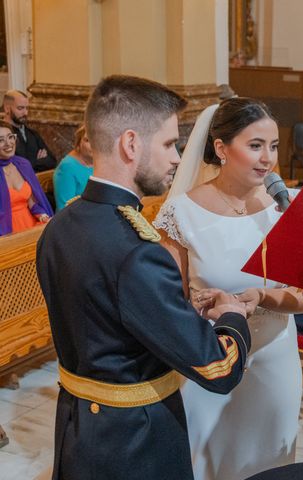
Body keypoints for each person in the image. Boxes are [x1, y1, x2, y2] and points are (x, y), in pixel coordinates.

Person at [35, 75, 252, 480]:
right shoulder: (138, 251)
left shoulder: (60, 226)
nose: (176, 157)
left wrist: (175, 312)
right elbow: (218, 369)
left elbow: (106, 322)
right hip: (135, 443)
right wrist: (232, 314)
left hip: (77, 428)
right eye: (169, 143)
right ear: (131, 144)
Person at [153, 98, 303, 480]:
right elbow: (167, 301)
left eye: (273, 146)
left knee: (269, 461)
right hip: (212, 356)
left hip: (275, 356)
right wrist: (201, 303)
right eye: (255, 145)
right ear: (222, 148)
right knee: (205, 458)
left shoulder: (284, 206)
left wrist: (262, 297)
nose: (268, 159)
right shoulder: (182, 212)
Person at [0, 120, 53, 236]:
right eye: (1, 140)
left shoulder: (23, 165)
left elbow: (32, 203)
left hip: (30, 226)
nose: (8, 143)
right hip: (6, 233)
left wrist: (42, 216)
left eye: (10, 137)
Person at [2, 90, 56, 172]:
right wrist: (38, 161)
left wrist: (30, 163)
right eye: (20, 108)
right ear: (7, 109)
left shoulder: (32, 133)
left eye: (27, 108)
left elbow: (52, 161)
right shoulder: (2, 135)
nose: (25, 113)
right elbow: (13, 166)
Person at [53, 125, 93, 210]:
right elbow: (64, 208)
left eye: (96, 140)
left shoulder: (96, 161)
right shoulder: (67, 167)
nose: (93, 145)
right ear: (79, 142)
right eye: (87, 140)